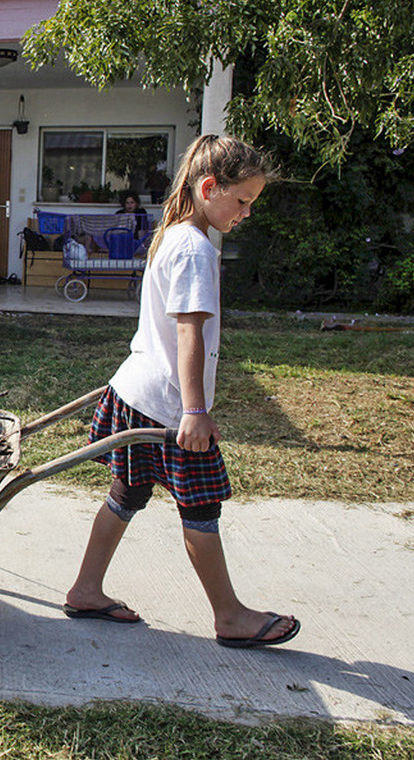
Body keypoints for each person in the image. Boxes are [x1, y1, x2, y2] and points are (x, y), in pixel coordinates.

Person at [63, 134, 300, 650]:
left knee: (126, 496)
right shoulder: (193, 248)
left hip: (136, 390)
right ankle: (230, 616)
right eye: (242, 201)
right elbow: (189, 331)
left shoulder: (175, 233)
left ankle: (85, 589)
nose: (246, 213)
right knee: (201, 507)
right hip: (168, 405)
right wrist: (195, 410)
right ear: (210, 187)